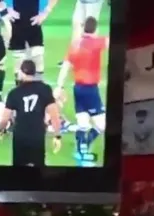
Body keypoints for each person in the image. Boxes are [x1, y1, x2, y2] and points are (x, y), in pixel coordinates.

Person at [55, 16, 108, 164]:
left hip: (78, 89)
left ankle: (79, 151)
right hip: (91, 89)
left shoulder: (75, 44)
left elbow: (65, 67)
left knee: (83, 122)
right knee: (102, 125)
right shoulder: (97, 42)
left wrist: (59, 86)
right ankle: (86, 144)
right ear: (96, 29)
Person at [0, 60, 62, 166]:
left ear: (21, 72)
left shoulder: (14, 93)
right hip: (37, 135)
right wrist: (57, 136)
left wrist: (0, 130)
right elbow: (54, 115)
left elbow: (5, 118)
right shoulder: (45, 89)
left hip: (20, 136)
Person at [5, 0, 58, 74]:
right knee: (19, 63)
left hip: (34, 25)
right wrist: (7, 9)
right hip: (17, 26)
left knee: (38, 58)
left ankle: (38, 80)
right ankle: (20, 81)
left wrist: (45, 13)